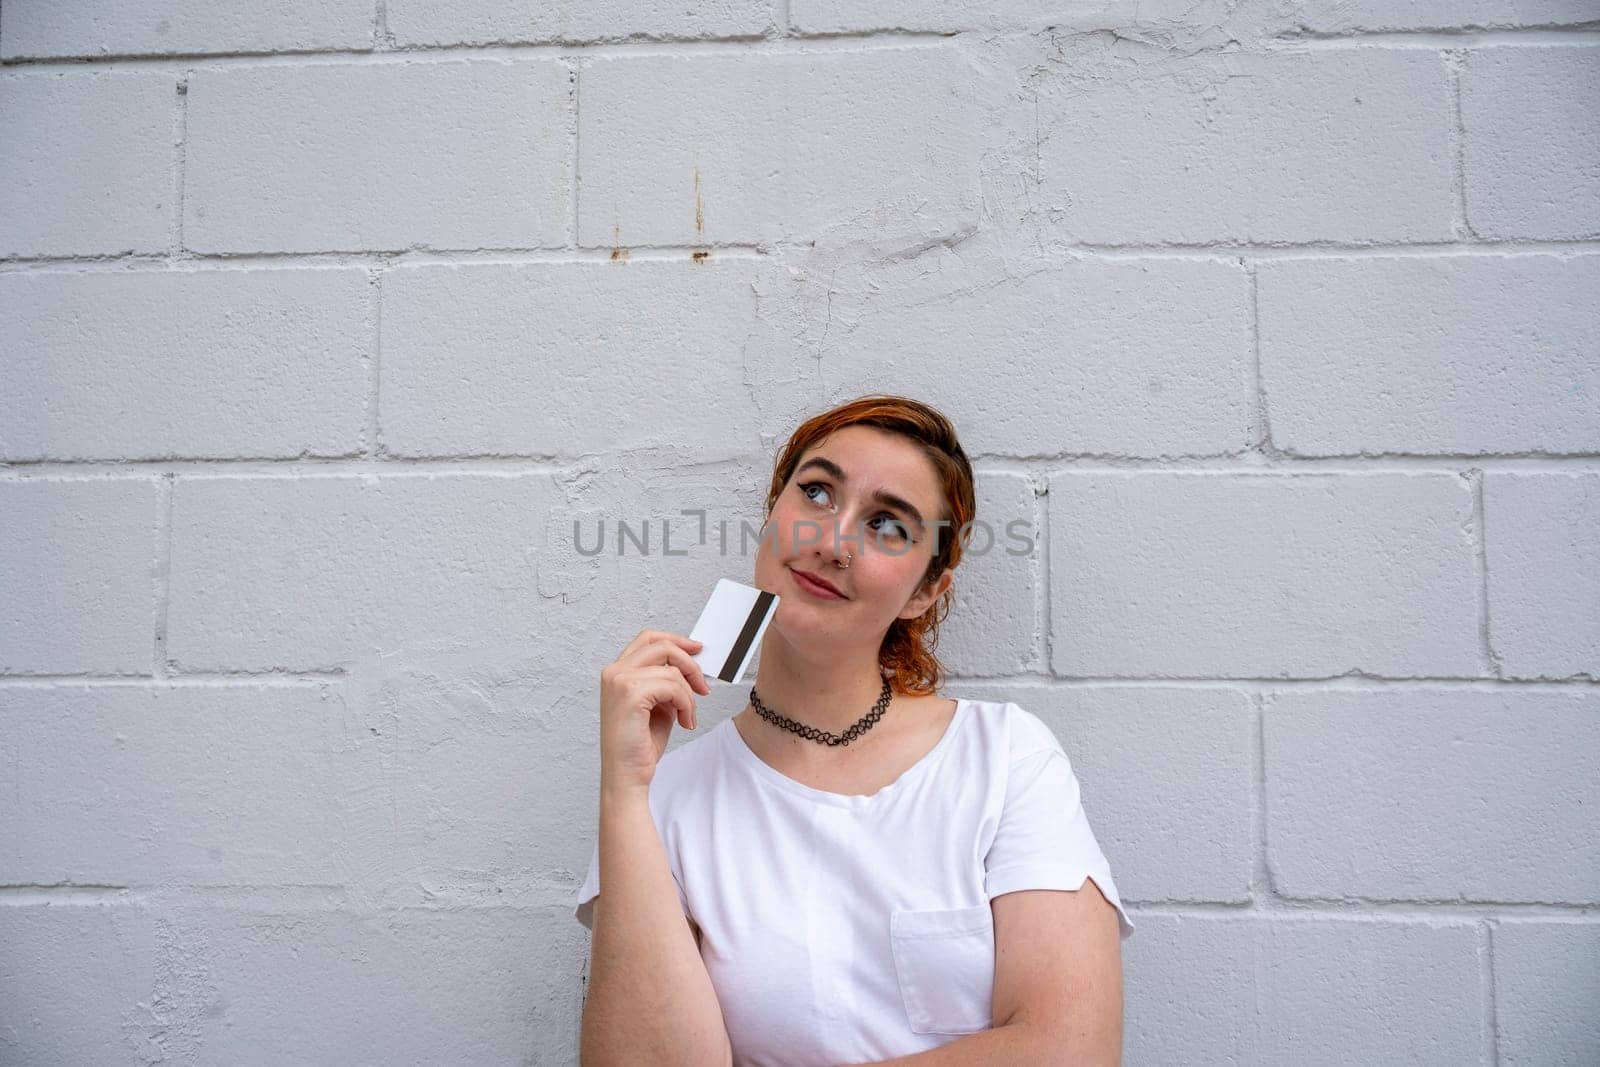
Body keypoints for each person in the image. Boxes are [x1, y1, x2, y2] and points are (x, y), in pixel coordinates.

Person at [574, 395, 1134, 1066]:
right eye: (815, 491)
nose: (831, 540)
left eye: (888, 525)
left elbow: (1071, 1051)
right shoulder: (668, 798)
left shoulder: (1007, 760)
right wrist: (625, 795)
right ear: (772, 514)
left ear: (926, 591)